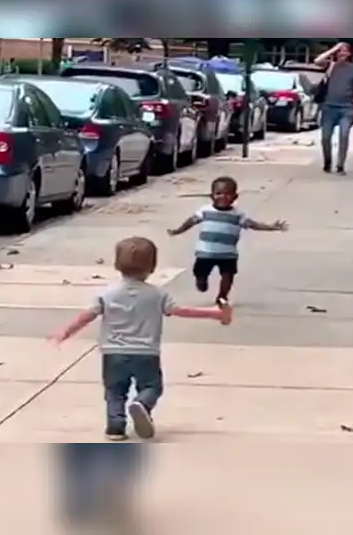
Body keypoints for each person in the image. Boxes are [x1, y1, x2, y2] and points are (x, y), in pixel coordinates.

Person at [49, 236, 232, 441]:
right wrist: (214, 313)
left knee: (115, 391)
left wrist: (66, 331)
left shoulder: (107, 294)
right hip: (146, 352)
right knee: (152, 386)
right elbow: (182, 311)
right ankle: (142, 404)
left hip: (113, 352)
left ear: (117, 264)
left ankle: (115, 427)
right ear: (152, 266)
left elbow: (86, 316)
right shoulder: (157, 295)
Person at [167, 176, 289, 306]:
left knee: (228, 276)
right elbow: (190, 222)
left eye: (228, 194)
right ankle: (201, 279)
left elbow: (253, 225)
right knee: (200, 272)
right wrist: (178, 230)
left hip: (228, 254)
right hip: (205, 252)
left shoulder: (237, 215)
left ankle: (222, 296)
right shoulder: (205, 211)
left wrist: (271, 227)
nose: (223, 197)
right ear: (212, 196)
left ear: (235, 197)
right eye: (218, 193)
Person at [313, 42, 353, 175]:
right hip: (329, 107)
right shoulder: (331, 66)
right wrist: (334, 48)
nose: (342, 53)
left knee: (344, 135)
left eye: (345, 51)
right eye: (340, 51)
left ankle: (340, 165)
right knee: (325, 137)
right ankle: (327, 162)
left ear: (349, 54)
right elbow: (317, 60)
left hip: (346, 108)